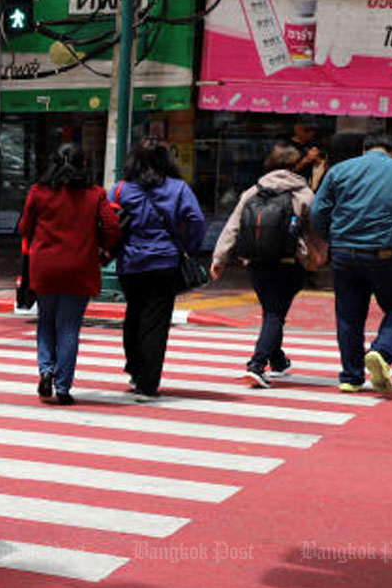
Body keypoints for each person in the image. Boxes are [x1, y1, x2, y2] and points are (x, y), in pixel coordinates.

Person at [310, 133, 392, 393]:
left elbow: (317, 210)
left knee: (348, 315)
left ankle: (351, 377)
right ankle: (382, 351)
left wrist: (331, 238)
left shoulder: (339, 170)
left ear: (364, 150)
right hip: (386, 252)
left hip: (343, 253)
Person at [209, 142, 328, 388]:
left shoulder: (252, 191)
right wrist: (318, 256)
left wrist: (219, 259)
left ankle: (278, 360)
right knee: (275, 314)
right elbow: (316, 230)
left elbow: (233, 226)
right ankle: (256, 364)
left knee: (271, 311)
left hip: (255, 263)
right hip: (288, 262)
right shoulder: (304, 194)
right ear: (296, 166)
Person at [20, 144, 121, 406]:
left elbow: (24, 227)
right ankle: (62, 387)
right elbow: (112, 227)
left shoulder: (39, 192)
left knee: (46, 321)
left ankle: (46, 370)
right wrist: (98, 244)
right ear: (83, 164)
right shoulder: (94, 194)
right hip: (80, 266)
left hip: (45, 266)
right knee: (69, 327)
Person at [110, 139, 206, 400]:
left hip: (130, 263)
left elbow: (106, 222)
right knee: (156, 323)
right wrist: (189, 247)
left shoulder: (121, 189)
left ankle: (135, 368)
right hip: (165, 261)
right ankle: (147, 383)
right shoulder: (178, 188)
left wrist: (114, 249)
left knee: (134, 315)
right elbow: (196, 219)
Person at [289, 121, 329, 191]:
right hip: (291, 187)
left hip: (311, 188)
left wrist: (319, 161)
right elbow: (283, 173)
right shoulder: (286, 147)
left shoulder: (316, 146)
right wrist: (305, 160)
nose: (311, 133)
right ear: (297, 129)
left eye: (313, 131)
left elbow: (326, 171)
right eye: (307, 130)